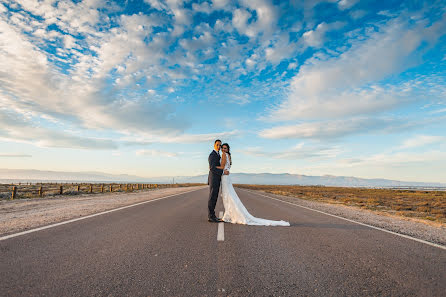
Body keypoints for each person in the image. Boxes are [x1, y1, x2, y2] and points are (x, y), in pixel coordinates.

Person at [217, 143, 290, 226]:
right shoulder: (229, 156)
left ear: (228, 149)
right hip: (228, 177)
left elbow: (222, 167)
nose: (223, 149)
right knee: (229, 196)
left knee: (228, 197)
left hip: (225, 177)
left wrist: (213, 167)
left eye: (225, 148)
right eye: (222, 148)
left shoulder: (224, 155)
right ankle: (228, 215)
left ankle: (228, 216)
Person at [207, 139, 229, 223]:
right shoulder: (212, 155)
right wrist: (223, 172)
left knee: (215, 197)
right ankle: (210, 216)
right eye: (217, 145)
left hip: (217, 178)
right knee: (212, 197)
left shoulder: (218, 155)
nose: (219, 146)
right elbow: (212, 168)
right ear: (214, 145)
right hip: (213, 179)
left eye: (220, 145)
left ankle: (213, 215)